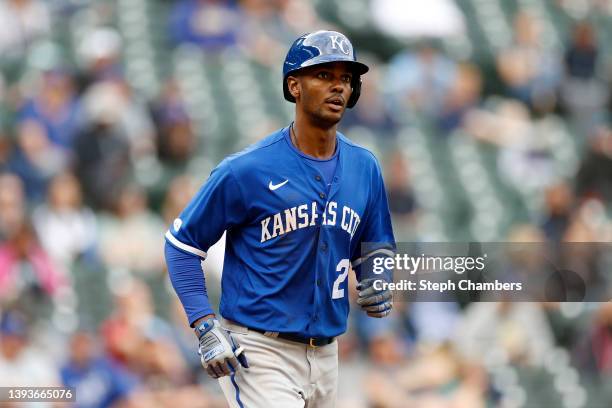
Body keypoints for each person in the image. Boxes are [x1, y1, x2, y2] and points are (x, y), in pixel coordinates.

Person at [164, 30, 395, 407]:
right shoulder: (246, 170)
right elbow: (181, 246)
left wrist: (378, 273)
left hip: (328, 353)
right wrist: (204, 324)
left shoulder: (364, 167)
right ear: (294, 85)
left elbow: (376, 243)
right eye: (324, 75)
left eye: (345, 78)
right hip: (259, 350)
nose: (337, 86)